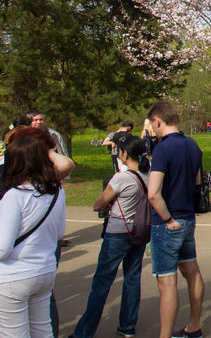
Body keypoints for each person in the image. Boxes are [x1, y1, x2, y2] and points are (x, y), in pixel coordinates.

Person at [71, 134, 150, 338]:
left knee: (102, 282)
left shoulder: (122, 177)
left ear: (125, 153)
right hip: (139, 231)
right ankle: (127, 325)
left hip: (117, 233)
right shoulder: (148, 176)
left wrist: (108, 203)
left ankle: (84, 332)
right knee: (132, 278)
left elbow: (98, 204)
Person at [145, 101, 205, 338]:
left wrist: (167, 218)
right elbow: (198, 182)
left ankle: (165, 335)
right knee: (193, 272)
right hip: (188, 217)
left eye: (152, 125)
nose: (152, 129)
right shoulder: (192, 145)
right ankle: (194, 325)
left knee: (167, 283)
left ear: (158, 121)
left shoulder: (162, 148)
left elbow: (153, 192)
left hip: (168, 223)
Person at [0, 134, 66, 338]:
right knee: (43, 330)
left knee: (14, 334)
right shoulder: (56, 192)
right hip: (44, 271)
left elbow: (2, 248)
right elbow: (59, 233)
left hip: (14, 276)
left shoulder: (15, 196)